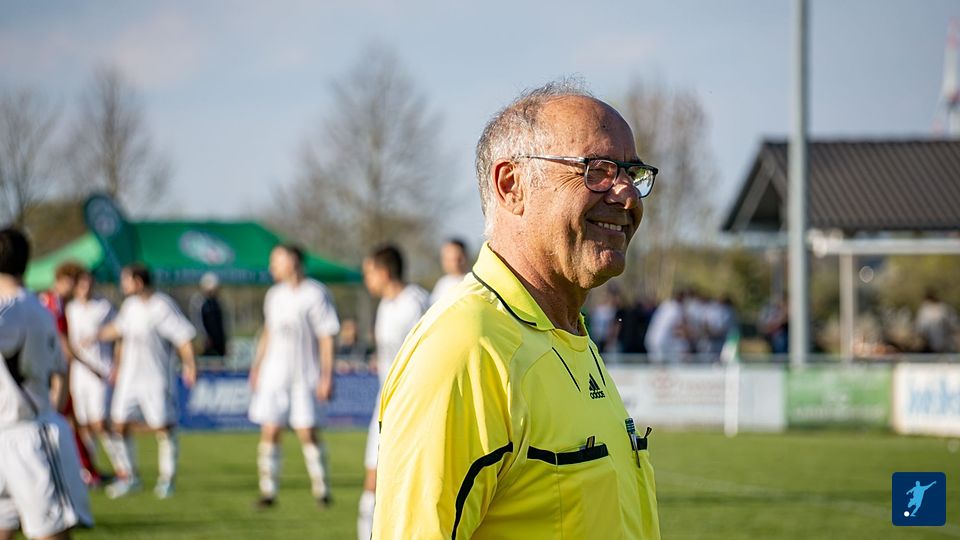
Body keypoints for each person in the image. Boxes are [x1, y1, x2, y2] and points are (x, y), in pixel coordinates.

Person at [373, 81, 661, 538]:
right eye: (598, 170)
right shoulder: (466, 348)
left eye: (632, 173)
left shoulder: (565, 333)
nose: (627, 195)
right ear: (511, 185)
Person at [0, 228, 92, 540]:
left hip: (21, 432)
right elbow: (61, 370)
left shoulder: (11, 310)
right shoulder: (37, 308)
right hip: (26, 433)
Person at [248, 244, 339, 508]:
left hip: (304, 375)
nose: (271, 267)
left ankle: (322, 489)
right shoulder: (274, 295)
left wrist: (327, 375)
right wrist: (257, 366)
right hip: (274, 376)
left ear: (293, 261)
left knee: (307, 432)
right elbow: (268, 332)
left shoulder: (316, 293)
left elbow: (326, 336)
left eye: (276, 261)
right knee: (270, 430)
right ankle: (268, 492)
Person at [97, 263, 197, 499]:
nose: (123, 285)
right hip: (129, 379)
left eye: (126, 280)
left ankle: (167, 479)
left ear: (138, 282)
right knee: (119, 425)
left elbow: (183, 337)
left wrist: (190, 365)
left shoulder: (161, 306)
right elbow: (119, 330)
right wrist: (91, 335)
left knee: (163, 427)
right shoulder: (130, 306)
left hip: (155, 379)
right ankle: (130, 477)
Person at [357, 245, 429, 539]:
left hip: (414, 407)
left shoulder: (415, 302)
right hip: (385, 405)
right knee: (373, 480)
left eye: (369, 273)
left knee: (414, 486)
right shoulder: (385, 306)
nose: (366, 279)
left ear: (384, 272)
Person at [39, 262, 103, 486]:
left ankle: (87, 469)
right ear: (66, 280)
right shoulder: (53, 303)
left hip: (52, 371)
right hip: (51, 374)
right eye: (75, 283)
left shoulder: (51, 301)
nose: (78, 288)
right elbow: (63, 345)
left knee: (70, 422)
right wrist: (91, 367)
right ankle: (62, 471)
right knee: (57, 421)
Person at [64, 271, 123, 483]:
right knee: (84, 424)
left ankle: (122, 466)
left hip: (101, 372)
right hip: (79, 374)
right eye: (82, 284)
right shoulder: (70, 309)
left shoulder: (104, 307)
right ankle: (90, 470)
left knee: (100, 423)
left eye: (89, 283)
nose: (86, 288)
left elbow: (120, 333)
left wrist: (117, 365)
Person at [190, 272, 227, 357]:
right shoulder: (198, 302)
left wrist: (224, 342)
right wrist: (204, 338)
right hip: (206, 344)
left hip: (219, 345)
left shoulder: (217, 303)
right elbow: (197, 322)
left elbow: (222, 325)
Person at [429, 238, 469, 305]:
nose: (453, 263)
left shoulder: (472, 281)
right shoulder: (442, 283)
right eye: (447, 259)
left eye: (456, 259)